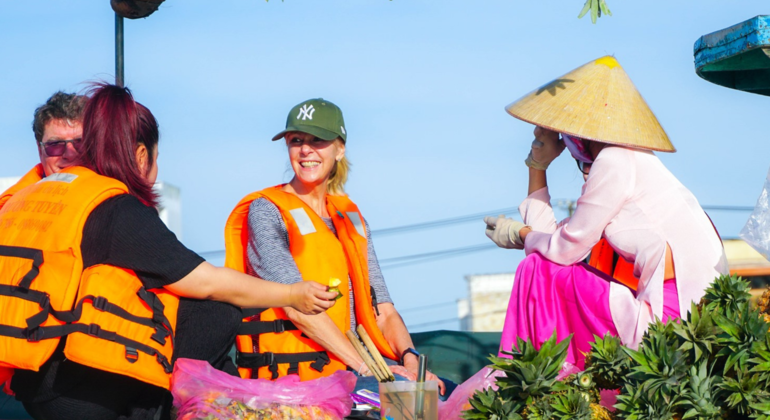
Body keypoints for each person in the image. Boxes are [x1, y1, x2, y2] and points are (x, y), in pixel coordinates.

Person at [0, 84, 337, 420]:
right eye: (58, 145)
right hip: (79, 390)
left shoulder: (20, 202)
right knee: (217, 312)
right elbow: (207, 282)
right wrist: (293, 294)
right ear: (143, 155)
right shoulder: (109, 208)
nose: (70, 153)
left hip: (31, 376)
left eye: (80, 144)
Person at [484, 56, 728, 369]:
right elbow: (558, 239)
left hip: (673, 320)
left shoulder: (615, 160)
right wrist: (538, 166)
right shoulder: (633, 162)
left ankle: (535, 381)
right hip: (677, 314)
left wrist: (521, 234)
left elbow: (562, 250)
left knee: (535, 270)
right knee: (539, 264)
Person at [224, 98, 447, 395]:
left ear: (340, 149)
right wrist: (369, 370)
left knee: (446, 394)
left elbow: (384, 310)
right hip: (298, 379)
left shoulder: (351, 218)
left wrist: (410, 359)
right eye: (296, 140)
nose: (305, 150)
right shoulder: (267, 210)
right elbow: (296, 307)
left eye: (318, 140)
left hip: (355, 371)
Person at [0, 91, 86, 209]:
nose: (70, 154)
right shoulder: (10, 209)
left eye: (80, 143)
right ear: (40, 149)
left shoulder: (116, 201)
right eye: (55, 144)